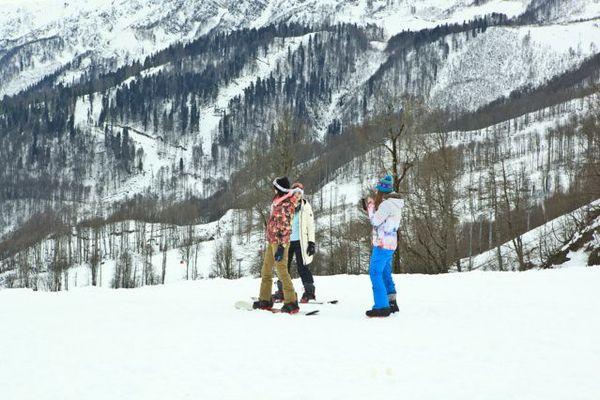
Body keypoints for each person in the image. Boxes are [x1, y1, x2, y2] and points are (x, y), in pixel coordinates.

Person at [253, 176, 303, 314]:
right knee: (266, 270)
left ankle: (291, 301)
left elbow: (286, 227)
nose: (273, 189)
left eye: (275, 187)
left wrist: (281, 247)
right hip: (272, 240)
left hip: (280, 242)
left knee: (281, 271)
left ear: (279, 189)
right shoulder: (277, 201)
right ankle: (265, 299)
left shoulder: (286, 205)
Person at [361, 175, 404, 317]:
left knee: (375, 273)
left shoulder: (386, 205)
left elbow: (375, 221)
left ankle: (381, 306)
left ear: (382, 191)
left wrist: (370, 207)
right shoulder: (395, 203)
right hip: (391, 243)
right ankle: (392, 302)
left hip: (382, 243)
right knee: (385, 272)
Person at [272, 182, 317, 303]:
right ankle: (282, 291)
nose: (298, 195)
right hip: (286, 241)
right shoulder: (286, 205)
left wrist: (311, 242)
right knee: (283, 267)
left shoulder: (306, 206)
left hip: (301, 242)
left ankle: (309, 292)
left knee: (302, 267)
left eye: (300, 193)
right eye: (296, 192)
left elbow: (310, 226)